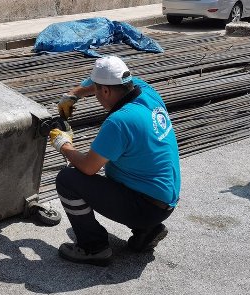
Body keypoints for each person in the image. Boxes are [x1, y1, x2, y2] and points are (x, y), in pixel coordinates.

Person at [49, 56, 181, 266]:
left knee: (68, 179)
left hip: (145, 206)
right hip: (164, 201)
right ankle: (146, 231)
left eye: (97, 93)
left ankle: (94, 248)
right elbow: (100, 80)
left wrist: (62, 143)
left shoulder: (119, 122)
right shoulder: (145, 91)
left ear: (106, 91)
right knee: (126, 166)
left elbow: (88, 167)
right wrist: (74, 94)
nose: (96, 97)